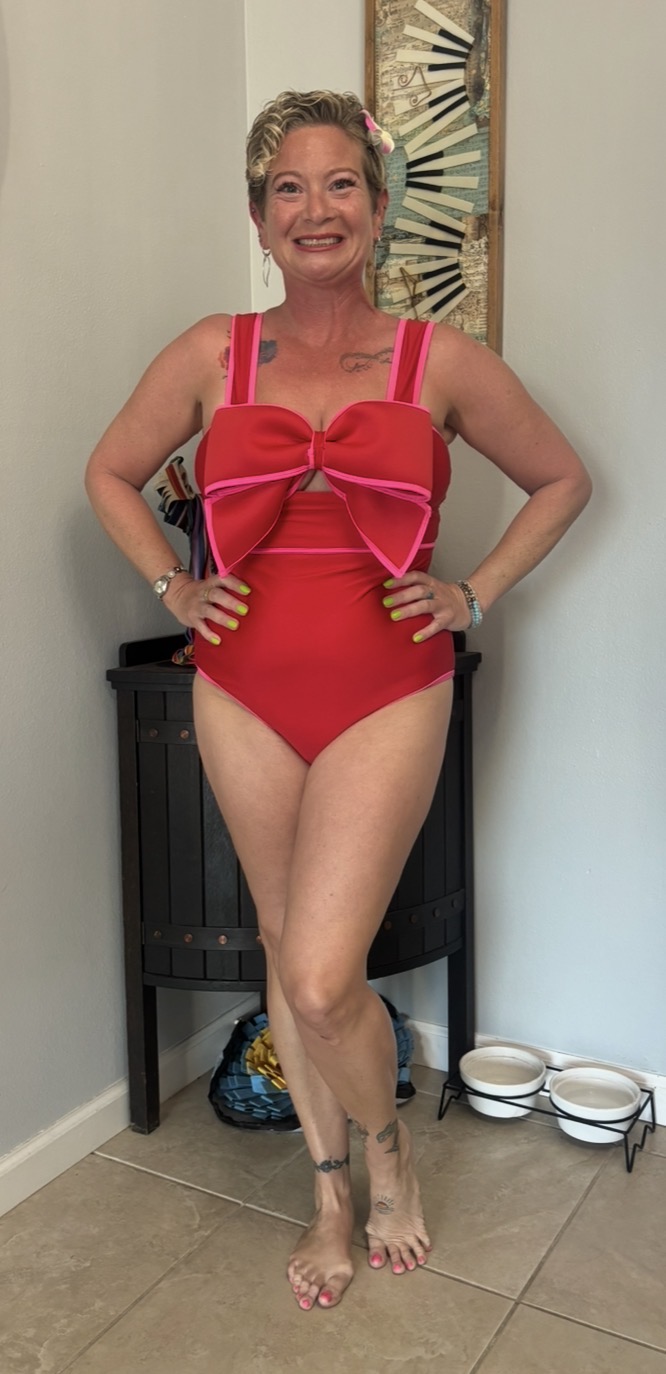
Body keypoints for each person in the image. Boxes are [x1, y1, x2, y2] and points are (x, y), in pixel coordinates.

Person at [85, 89, 592, 1313]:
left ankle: (389, 1148)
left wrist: (472, 594)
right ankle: (327, 1194)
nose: (316, 209)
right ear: (259, 217)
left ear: (376, 205)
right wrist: (172, 583)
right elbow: (108, 472)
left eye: (341, 184)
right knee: (281, 945)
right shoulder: (213, 352)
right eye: (289, 189)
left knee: (321, 977)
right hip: (241, 685)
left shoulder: (439, 360)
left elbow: (562, 479)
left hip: (388, 684)